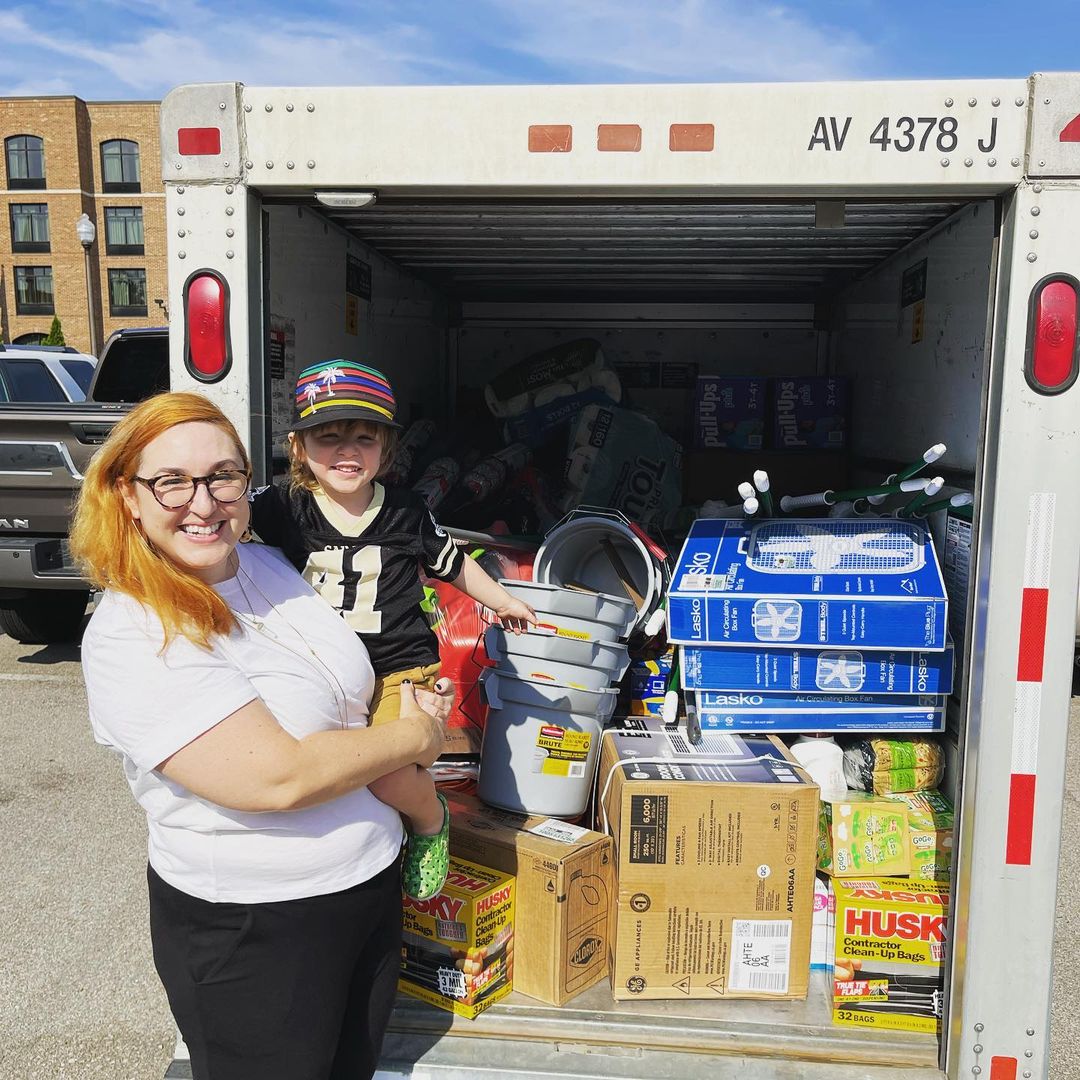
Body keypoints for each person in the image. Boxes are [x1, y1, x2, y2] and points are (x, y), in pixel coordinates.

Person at [71, 391, 453, 1080]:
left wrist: (417, 697)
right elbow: (276, 778)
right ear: (127, 495)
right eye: (172, 481)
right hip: (257, 930)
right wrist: (419, 737)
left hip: (362, 890)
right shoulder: (136, 630)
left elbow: (344, 692)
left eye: (223, 476)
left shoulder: (264, 565)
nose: (203, 501)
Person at [249, 358, 536, 900]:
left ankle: (430, 821)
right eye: (328, 436)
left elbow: (453, 563)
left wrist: (503, 601)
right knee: (318, 770)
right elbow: (222, 532)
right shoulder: (279, 506)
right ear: (298, 446)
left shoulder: (407, 510)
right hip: (315, 670)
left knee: (387, 772)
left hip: (400, 668)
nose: (348, 451)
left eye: (364, 437)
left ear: (387, 447)